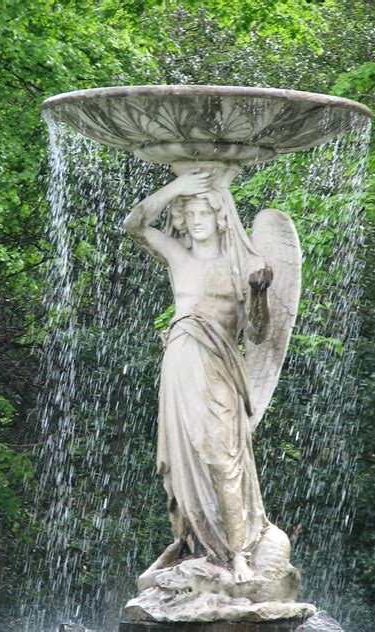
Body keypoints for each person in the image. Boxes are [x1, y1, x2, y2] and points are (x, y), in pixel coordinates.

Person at [123, 168, 273, 583]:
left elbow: (258, 332)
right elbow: (133, 225)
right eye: (188, 213)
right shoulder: (178, 256)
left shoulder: (241, 266)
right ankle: (193, 545)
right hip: (180, 361)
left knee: (222, 458)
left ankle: (239, 555)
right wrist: (177, 188)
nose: (195, 219)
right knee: (184, 457)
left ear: (221, 214)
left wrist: (259, 293)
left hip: (219, 363)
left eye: (203, 210)